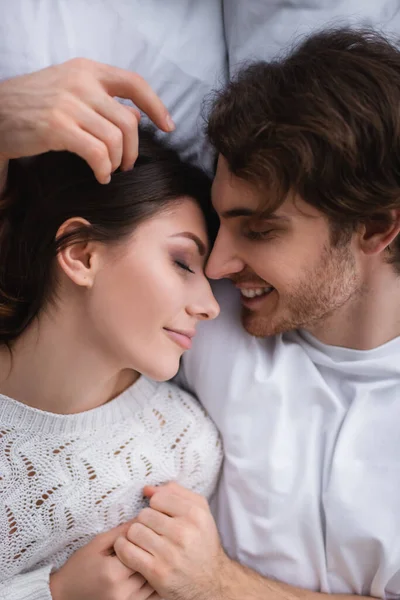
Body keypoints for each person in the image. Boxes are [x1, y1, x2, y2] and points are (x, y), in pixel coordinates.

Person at [108, 27, 400, 600]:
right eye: (223, 224)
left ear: (373, 229)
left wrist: (217, 583)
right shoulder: (198, 320)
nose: (217, 265)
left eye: (260, 230)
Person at [0, 118, 221, 599]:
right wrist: (54, 594)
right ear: (81, 254)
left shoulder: (183, 449)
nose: (210, 304)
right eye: (183, 262)